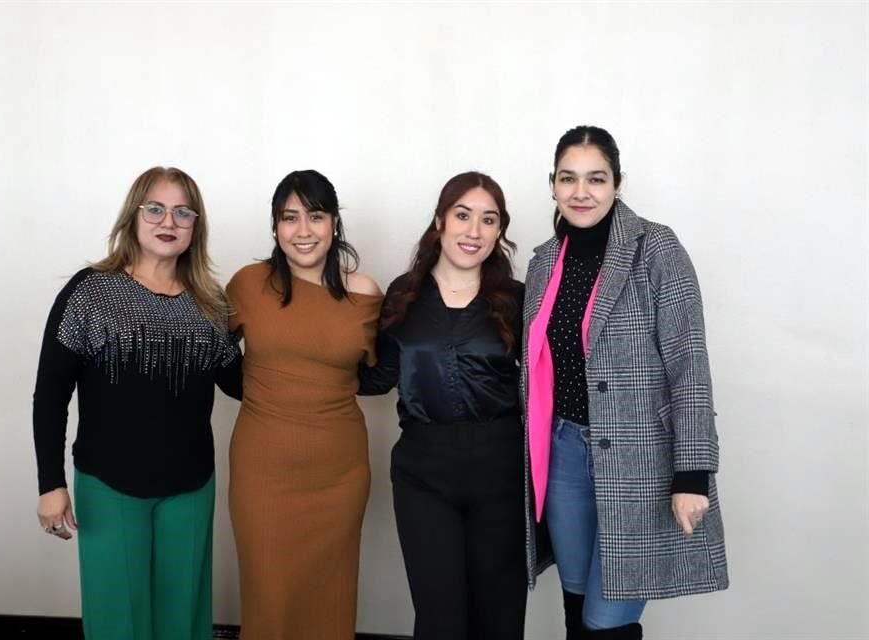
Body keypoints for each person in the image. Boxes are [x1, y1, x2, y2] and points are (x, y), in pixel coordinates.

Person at [520, 126, 729, 639]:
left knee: (605, 622)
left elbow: (689, 362)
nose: (581, 191)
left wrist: (693, 473)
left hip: (643, 467)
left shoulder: (656, 247)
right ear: (552, 185)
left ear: (617, 182)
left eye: (596, 178)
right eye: (568, 179)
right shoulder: (544, 261)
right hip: (564, 454)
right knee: (576, 607)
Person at [31, 166, 242, 640]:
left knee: (183, 621)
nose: (169, 220)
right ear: (133, 215)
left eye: (183, 211)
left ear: (196, 226)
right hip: (110, 486)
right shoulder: (90, 293)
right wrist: (50, 483)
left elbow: (241, 384)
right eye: (156, 208)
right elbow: (50, 394)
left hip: (190, 487)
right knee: (117, 623)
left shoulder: (211, 303)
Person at [359, 171, 528, 640]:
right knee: (440, 618)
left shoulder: (516, 300)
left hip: (500, 471)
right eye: (463, 215)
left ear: (499, 232)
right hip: (423, 474)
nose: (474, 231)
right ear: (439, 221)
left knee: (499, 613)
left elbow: (545, 386)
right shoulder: (404, 293)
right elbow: (379, 376)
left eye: (488, 220)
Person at [224, 169, 382, 640]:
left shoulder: (366, 294)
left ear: (334, 224)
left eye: (315, 216)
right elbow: (213, 359)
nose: (303, 230)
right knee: (269, 600)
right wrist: (266, 393)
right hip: (262, 474)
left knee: (329, 603)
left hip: (339, 475)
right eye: (289, 218)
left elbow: (377, 376)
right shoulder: (248, 285)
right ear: (275, 228)